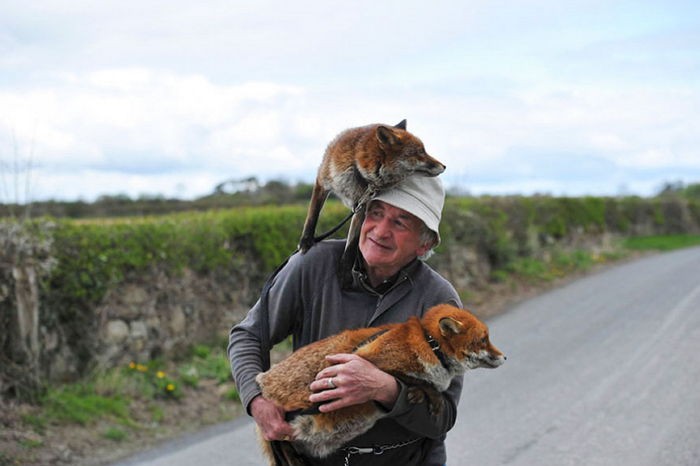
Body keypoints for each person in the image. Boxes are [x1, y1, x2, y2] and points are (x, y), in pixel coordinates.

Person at [228, 175, 463, 465]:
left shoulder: (439, 302)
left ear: (423, 245)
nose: (381, 230)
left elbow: (443, 417)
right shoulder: (312, 265)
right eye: (376, 213)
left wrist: (385, 389)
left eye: (400, 222)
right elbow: (248, 336)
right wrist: (257, 401)